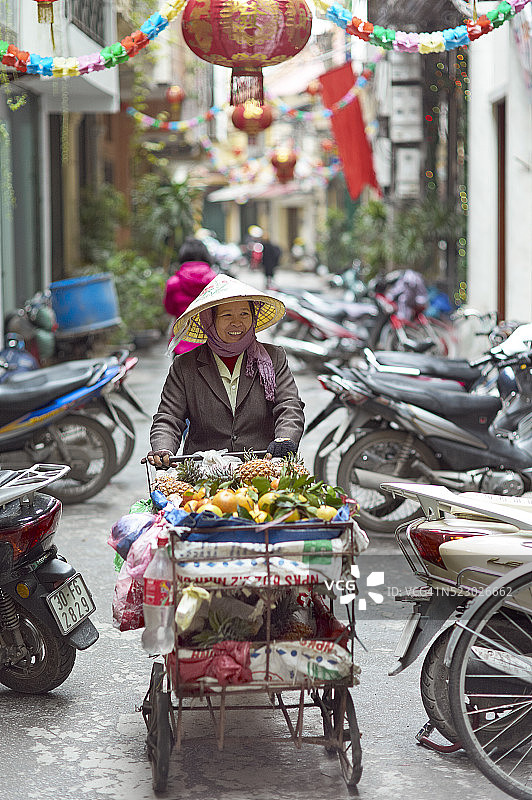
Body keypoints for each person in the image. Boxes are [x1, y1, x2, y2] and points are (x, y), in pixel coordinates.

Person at [147, 275, 305, 467]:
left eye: (245, 314)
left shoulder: (274, 357)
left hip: (263, 468)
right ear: (209, 320)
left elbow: (289, 405)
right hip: (203, 474)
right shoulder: (185, 366)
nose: (237, 323)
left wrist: (285, 439)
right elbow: (169, 417)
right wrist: (163, 448)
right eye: (227, 315)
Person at [163, 237, 217, 355]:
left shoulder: (173, 282)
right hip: (212, 345)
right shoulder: (216, 281)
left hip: (181, 344)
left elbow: (170, 310)